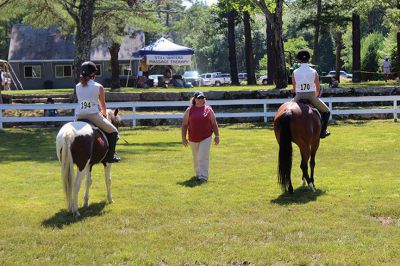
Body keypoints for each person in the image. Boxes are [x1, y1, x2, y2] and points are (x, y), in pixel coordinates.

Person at [75, 61, 121, 163]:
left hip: (78, 116)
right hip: (93, 116)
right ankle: (110, 156)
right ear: (93, 74)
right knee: (114, 132)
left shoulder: (77, 86)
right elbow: (103, 105)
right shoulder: (98, 86)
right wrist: (104, 115)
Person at [181, 91, 220, 182]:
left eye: (202, 98)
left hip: (206, 136)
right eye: (198, 98)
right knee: (196, 157)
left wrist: (217, 135)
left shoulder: (208, 109)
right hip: (193, 137)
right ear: (194, 99)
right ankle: (198, 174)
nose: (200, 100)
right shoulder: (189, 110)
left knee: (203, 156)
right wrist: (183, 137)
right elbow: (184, 125)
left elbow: (214, 123)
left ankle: (203, 177)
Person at [292, 49, 330, 138]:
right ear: (308, 59)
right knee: (327, 111)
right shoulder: (313, 71)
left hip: (298, 96)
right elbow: (317, 86)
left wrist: (297, 94)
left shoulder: (295, 72)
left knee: (285, 110)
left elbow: (294, 88)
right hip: (311, 96)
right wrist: (315, 96)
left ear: (298, 59)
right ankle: (323, 131)